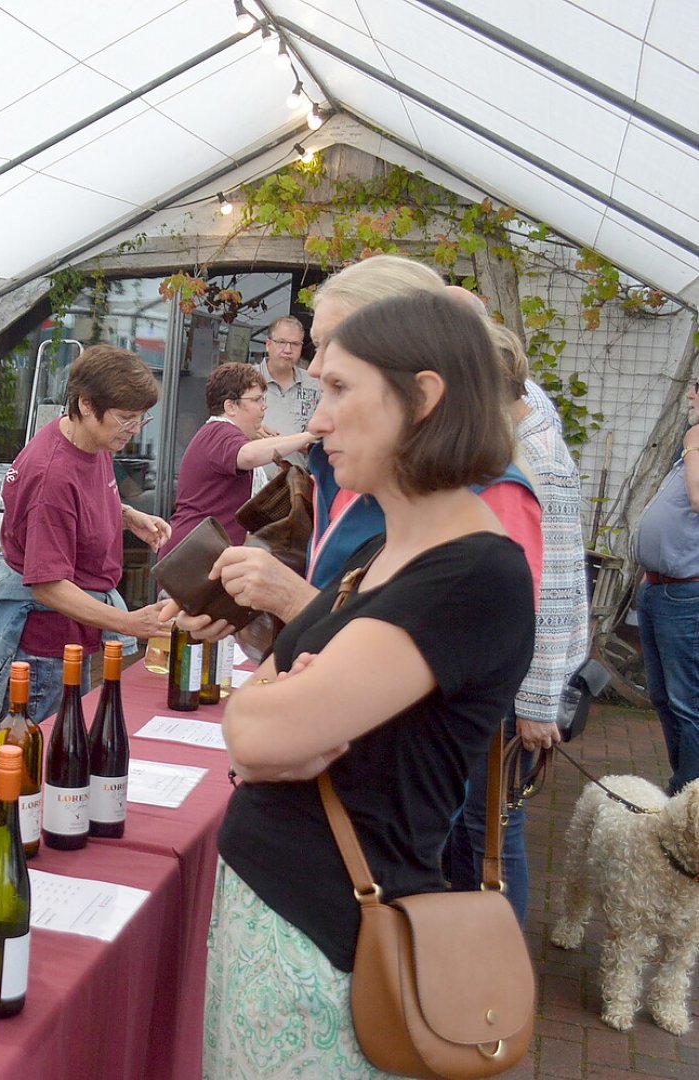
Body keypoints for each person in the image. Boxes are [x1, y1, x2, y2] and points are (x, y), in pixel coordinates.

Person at [205, 290, 535, 1076]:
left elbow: (258, 732)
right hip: (284, 926)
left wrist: (267, 716)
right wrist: (266, 713)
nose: (315, 420)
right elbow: (255, 721)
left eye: (339, 389)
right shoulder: (380, 555)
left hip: (334, 950)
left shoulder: (471, 574)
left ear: (423, 398)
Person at [162, 255, 541, 632]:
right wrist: (242, 596)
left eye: (335, 348)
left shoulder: (488, 492)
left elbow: (461, 658)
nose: (313, 366)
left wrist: (292, 600)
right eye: (317, 344)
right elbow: (333, 587)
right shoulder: (340, 465)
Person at [443, 325, 589, 921]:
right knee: (479, 825)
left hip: (517, 682)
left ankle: (495, 981)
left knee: (494, 834)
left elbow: (552, 591)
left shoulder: (539, 458)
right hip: (502, 672)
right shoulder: (520, 439)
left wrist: (537, 703)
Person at [0, 344, 172, 729]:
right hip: (40, 652)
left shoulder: (92, 441)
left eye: (141, 419)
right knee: (44, 768)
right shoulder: (52, 476)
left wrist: (125, 516)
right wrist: (130, 623)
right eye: (126, 418)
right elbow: (47, 586)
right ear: (86, 405)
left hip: (68, 643)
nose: (134, 430)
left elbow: (78, 513)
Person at [156, 362, 316, 557]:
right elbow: (248, 455)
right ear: (230, 406)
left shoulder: (221, 434)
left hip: (203, 553)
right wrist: (310, 435)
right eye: (257, 399)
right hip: (194, 558)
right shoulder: (219, 431)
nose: (264, 406)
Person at [634, 377, 699, 794]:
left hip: (685, 594)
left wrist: (694, 442)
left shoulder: (695, 446)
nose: (691, 394)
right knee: (661, 697)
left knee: (687, 703)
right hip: (657, 589)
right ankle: (684, 791)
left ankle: (689, 796)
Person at [256, 314, 320, 472]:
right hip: (251, 486)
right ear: (268, 344)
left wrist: (312, 445)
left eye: (294, 344)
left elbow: (325, 438)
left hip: (297, 486)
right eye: (281, 342)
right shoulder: (245, 380)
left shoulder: (315, 384)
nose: (288, 350)